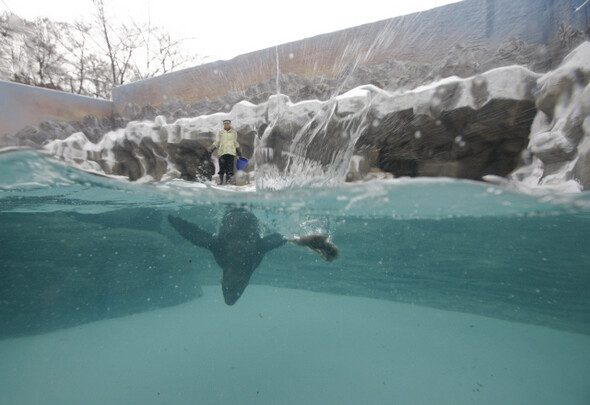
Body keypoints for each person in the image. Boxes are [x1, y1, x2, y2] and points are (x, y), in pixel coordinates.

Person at [209, 119, 242, 185]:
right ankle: (221, 182)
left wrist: (238, 151)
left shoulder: (233, 132)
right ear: (223, 124)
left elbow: (235, 142)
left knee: (229, 169)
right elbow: (217, 141)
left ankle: (228, 182)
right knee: (222, 168)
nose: (226, 124)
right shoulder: (220, 132)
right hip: (222, 152)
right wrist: (212, 149)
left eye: (228, 123)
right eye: (225, 123)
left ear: (230, 124)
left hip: (231, 152)